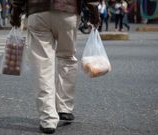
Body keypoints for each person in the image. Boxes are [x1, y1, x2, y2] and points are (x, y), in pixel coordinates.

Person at [9, 0, 100, 134]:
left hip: (37, 11)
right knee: (67, 58)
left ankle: (48, 119)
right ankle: (65, 108)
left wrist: (15, 14)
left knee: (42, 65)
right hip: (68, 11)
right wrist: (94, 13)